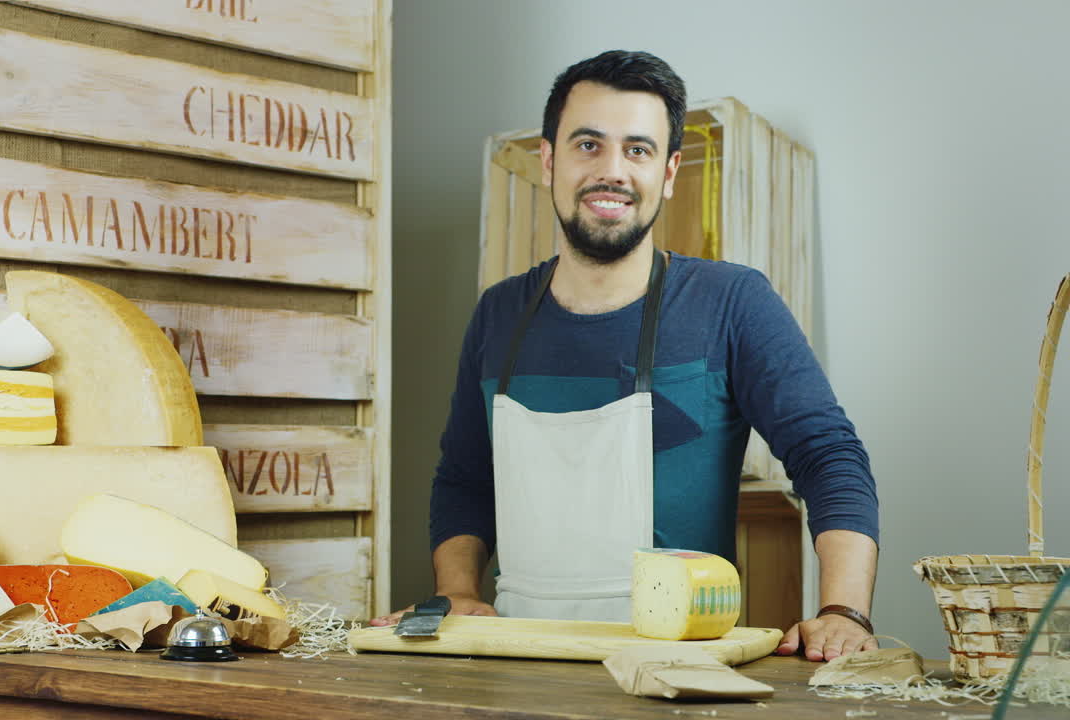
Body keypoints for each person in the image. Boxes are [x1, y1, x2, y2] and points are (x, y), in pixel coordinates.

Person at [373, 50, 879, 662]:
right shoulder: (499, 312)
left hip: (679, 669)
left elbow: (828, 455)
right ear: (549, 161)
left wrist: (843, 611)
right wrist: (456, 592)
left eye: (638, 150)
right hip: (520, 662)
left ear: (668, 173)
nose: (612, 171)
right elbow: (465, 477)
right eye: (588, 145)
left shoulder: (731, 302)